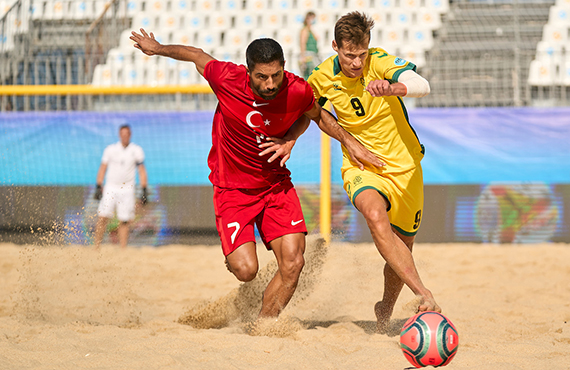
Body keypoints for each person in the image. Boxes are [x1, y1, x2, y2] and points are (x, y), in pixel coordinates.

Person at [129, 29, 382, 320]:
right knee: (247, 271)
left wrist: (343, 142)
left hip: (275, 186)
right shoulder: (226, 78)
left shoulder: (297, 89)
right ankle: (237, 261)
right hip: (232, 190)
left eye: (276, 75)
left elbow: (315, 115)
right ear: (248, 71)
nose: (271, 83)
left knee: (293, 262)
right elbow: (197, 56)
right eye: (262, 77)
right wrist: (158, 48)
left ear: (284, 66)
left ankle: (265, 324)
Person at [306, 11, 441, 332]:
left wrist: (394, 88)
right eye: (349, 55)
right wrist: (291, 141)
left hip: (406, 167)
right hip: (362, 166)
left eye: (361, 54)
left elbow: (421, 85)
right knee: (375, 216)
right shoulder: (322, 75)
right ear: (335, 46)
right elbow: (312, 112)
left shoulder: (379, 62)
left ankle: (385, 308)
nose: (356, 62)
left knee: (401, 247)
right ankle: (423, 293)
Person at [93, 124, 148, 249]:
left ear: (130, 135)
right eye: (122, 134)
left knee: (124, 220)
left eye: (126, 134)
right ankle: (96, 247)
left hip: (127, 188)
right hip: (111, 187)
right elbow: (103, 168)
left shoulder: (136, 150)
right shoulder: (110, 149)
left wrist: (144, 189)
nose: (124, 136)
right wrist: (98, 185)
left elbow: (142, 170)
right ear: (119, 135)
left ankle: (123, 248)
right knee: (103, 216)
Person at [299, 11, 320, 79]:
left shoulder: (310, 30)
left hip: (313, 55)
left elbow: (316, 38)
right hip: (308, 56)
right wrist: (303, 57)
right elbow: (302, 43)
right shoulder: (305, 30)